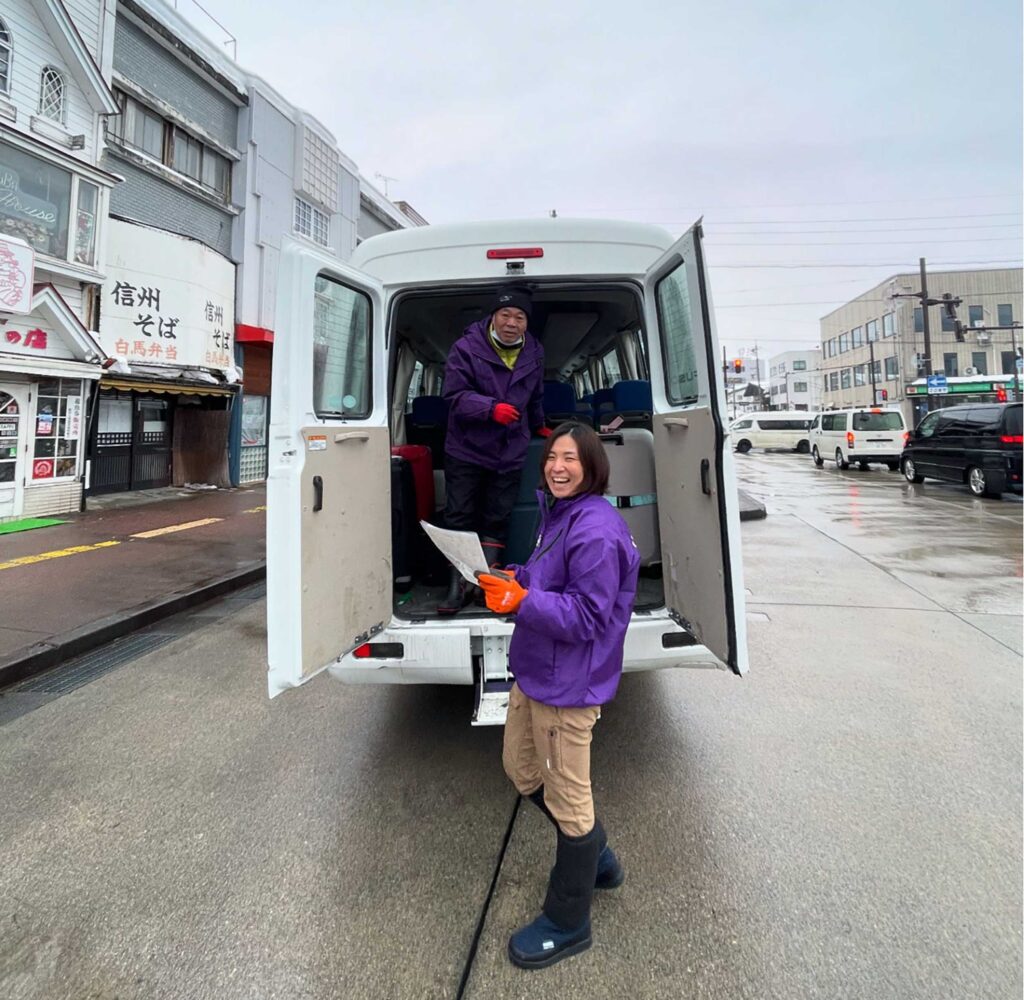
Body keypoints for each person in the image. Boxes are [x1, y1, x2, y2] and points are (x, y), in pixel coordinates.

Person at [476, 422, 641, 970]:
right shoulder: (562, 514)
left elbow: (590, 615)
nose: (557, 466)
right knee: (522, 771)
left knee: (570, 799)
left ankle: (568, 921)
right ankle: (599, 860)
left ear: (591, 465)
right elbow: (548, 580)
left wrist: (521, 602)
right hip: (536, 672)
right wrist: (511, 578)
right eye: (551, 457)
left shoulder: (596, 529)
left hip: (568, 685)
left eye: (570, 458)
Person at [437, 287, 550, 614]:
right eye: (506, 315)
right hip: (466, 448)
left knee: (497, 518)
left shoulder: (535, 352)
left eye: (519, 316)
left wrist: (539, 423)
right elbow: (454, 397)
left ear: (526, 322)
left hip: (510, 450)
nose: (512, 322)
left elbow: (536, 394)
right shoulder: (466, 348)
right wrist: (490, 409)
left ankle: (485, 585)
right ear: (493, 317)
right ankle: (458, 586)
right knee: (460, 516)